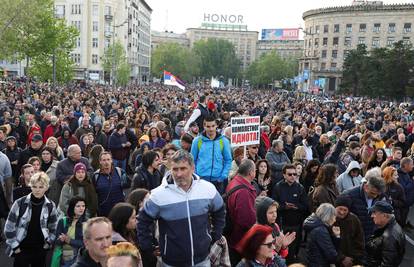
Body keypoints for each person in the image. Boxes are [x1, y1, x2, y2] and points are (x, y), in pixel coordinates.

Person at [137, 150, 225, 267]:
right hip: (172, 262)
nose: (178, 174)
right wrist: (148, 247)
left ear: (193, 168)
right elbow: (142, 221)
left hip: (202, 259)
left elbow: (220, 210)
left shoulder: (208, 189)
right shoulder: (158, 195)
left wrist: (216, 235)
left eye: (183, 168)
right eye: (175, 169)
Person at [4, 172, 59, 266]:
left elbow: (54, 228)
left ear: (46, 188)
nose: (37, 190)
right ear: (30, 186)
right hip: (21, 248)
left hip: (40, 248)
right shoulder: (19, 203)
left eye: (41, 187)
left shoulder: (50, 205)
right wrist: (15, 247)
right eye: (34, 186)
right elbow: (9, 227)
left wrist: (48, 243)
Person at [271, 164, 307, 263]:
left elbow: (305, 206)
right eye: (290, 174)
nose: (293, 176)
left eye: (294, 174)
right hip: (282, 224)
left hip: (296, 224)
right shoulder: (278, 187)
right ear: (284, 175)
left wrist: (297, 207)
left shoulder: (300, 188)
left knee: (294, 250)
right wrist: (284, 207)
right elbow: (273, 204)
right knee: (281, 250)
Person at [226, 159, 258, 266]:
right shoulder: (244, 192)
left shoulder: (234, 181)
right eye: (255, 170)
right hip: (241, 240)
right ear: (250, 173)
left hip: (234, 238)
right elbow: (246, 220)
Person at [191, 115, 232, 194]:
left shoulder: (223, 141)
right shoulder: (197, 141)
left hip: (218, 181)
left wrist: (223, 176)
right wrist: (196, 175)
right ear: (204, 126)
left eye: (213, 126)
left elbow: (228, 160)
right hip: (201, 180)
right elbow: (192, 160)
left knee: (218, 205)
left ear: (216, 125)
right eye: (208, 126)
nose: (211, 129)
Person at [342, 167, 385, 240]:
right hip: (353, 238)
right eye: (373, 193)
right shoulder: (349, 195)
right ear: (366, 185)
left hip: (370, 238)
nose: (375, 196)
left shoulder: (380, 195)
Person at [366, 201, 406, 267]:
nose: (372, 215)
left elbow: (387, 264)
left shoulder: (390, 237)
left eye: (374, 213)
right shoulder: (389, 226)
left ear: (384, 215)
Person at [303, 203, 341, 267]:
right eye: (334, 216)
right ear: (329, 216)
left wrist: (336, 236)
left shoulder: (316, 226)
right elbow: (332, 255)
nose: (335, 220)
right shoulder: (320, 231)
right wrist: (337, 237)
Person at [54, 196, 87, 267]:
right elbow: (56, 242)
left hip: (82, 256)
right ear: (72, 207)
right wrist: (61, 239)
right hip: (67, 256)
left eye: (83, 206)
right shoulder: (63, 221)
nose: (81, 208)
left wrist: (69, 240)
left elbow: (87, 244)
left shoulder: (87, 223)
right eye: (78, 206)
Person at [92, 152, 128, 217]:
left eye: (108, 159)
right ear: (100, 161)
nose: (106, 162)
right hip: (104, 212)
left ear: (111, 160)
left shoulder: (120, 171)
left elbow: (128, 186)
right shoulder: (95, 176)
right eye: (104, 160)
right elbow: (93, 194)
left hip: (119, 210)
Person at [333, 195, 365, 267]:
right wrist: (342, 258)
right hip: (334, 260)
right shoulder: (330, 219)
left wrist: (352, 259)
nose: (342, 212)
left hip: (351, 261)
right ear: (335, 208)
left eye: (345, 210)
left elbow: (359, 241)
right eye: (340, 209)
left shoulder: (354, 220)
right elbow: (328, 244)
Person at [397, 157, 414, 227]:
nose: (413, 166)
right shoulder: (399, 175)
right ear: (405, 165)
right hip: (403, 204)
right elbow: (404, 188)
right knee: (401, 222)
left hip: (408, 203)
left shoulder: (406, 173)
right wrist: (413, 181)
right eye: (412, 164)